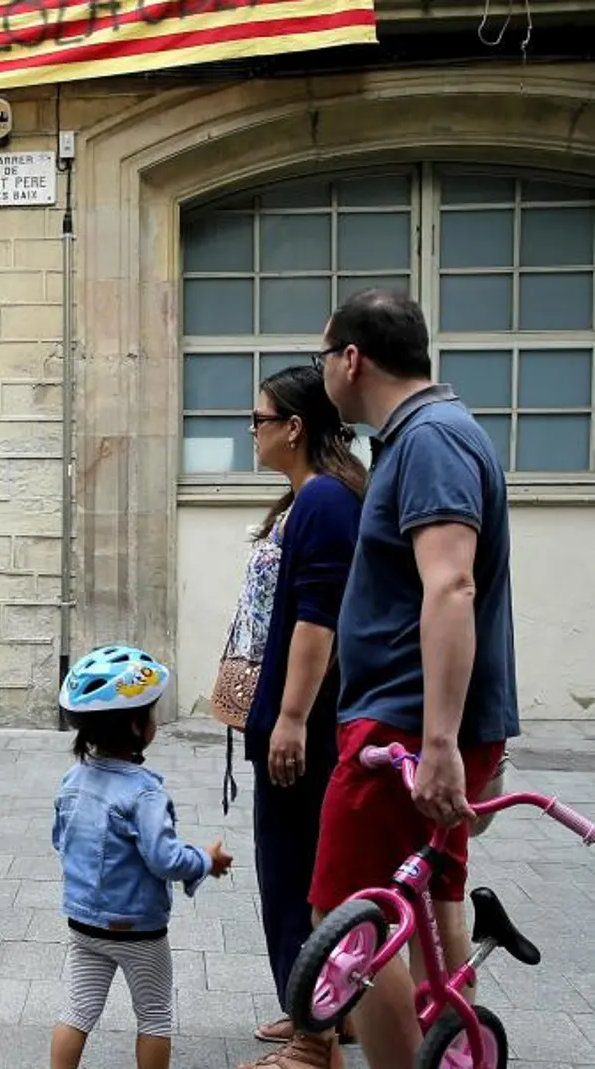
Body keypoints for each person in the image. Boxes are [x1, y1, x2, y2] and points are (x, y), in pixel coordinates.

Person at [310, 289, 519, 1069]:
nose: (322, 368)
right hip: (418, 717)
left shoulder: (430, 440)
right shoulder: (421, 437)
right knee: (433, 896)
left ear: (352, 359)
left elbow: (451, 586)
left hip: (404, 722)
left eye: (321, 354)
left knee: (354, 909)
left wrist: (438, 742)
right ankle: (452, 1047)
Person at [234, 367, 366, 1068]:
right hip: (294, 718)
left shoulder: (323, 502)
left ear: (293, 427)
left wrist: (289, 718)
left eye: (258, 418)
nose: (249, 430)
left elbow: (320, 619)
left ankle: (316, 1034)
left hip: (306, 727)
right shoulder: (308, 498)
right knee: (296, 870)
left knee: (296, 877)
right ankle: (316, 1010)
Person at [50, 645, 233, 1069]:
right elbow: (165, 860)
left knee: (77, 1011)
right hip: (137, 929)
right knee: (154, 1015)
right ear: (136, 725)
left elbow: (61, 840)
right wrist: (205, 860)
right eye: (150, 715)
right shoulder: (144, 793)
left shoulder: (72, 779)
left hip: (83, 922)